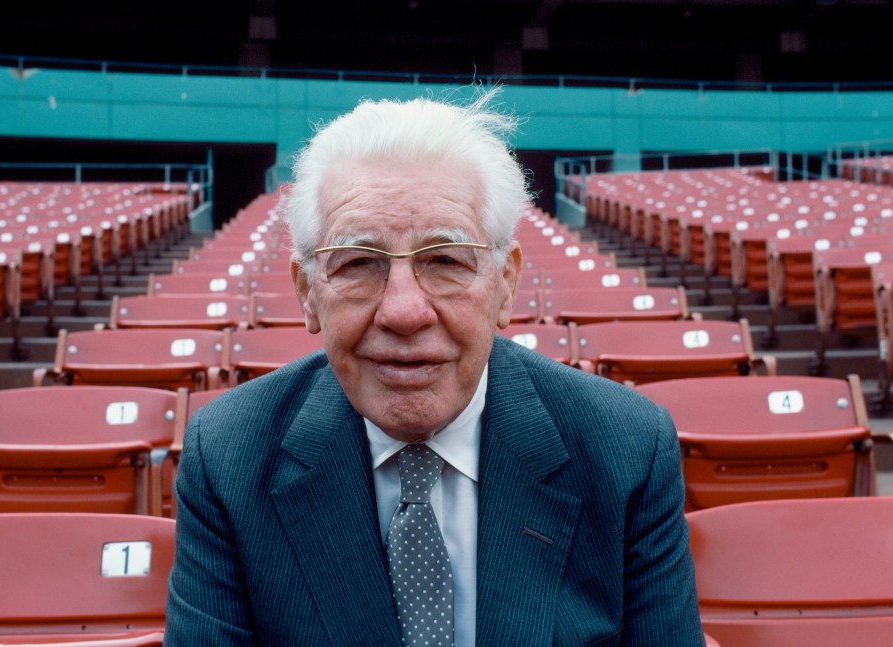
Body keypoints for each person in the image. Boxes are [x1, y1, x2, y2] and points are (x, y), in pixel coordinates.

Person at [164, 88, 705, 646]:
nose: (403, 311)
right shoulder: (228, 456)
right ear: (308, 293)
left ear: (505, 286)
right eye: (357, 263)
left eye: (446, 259)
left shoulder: (628, 450)